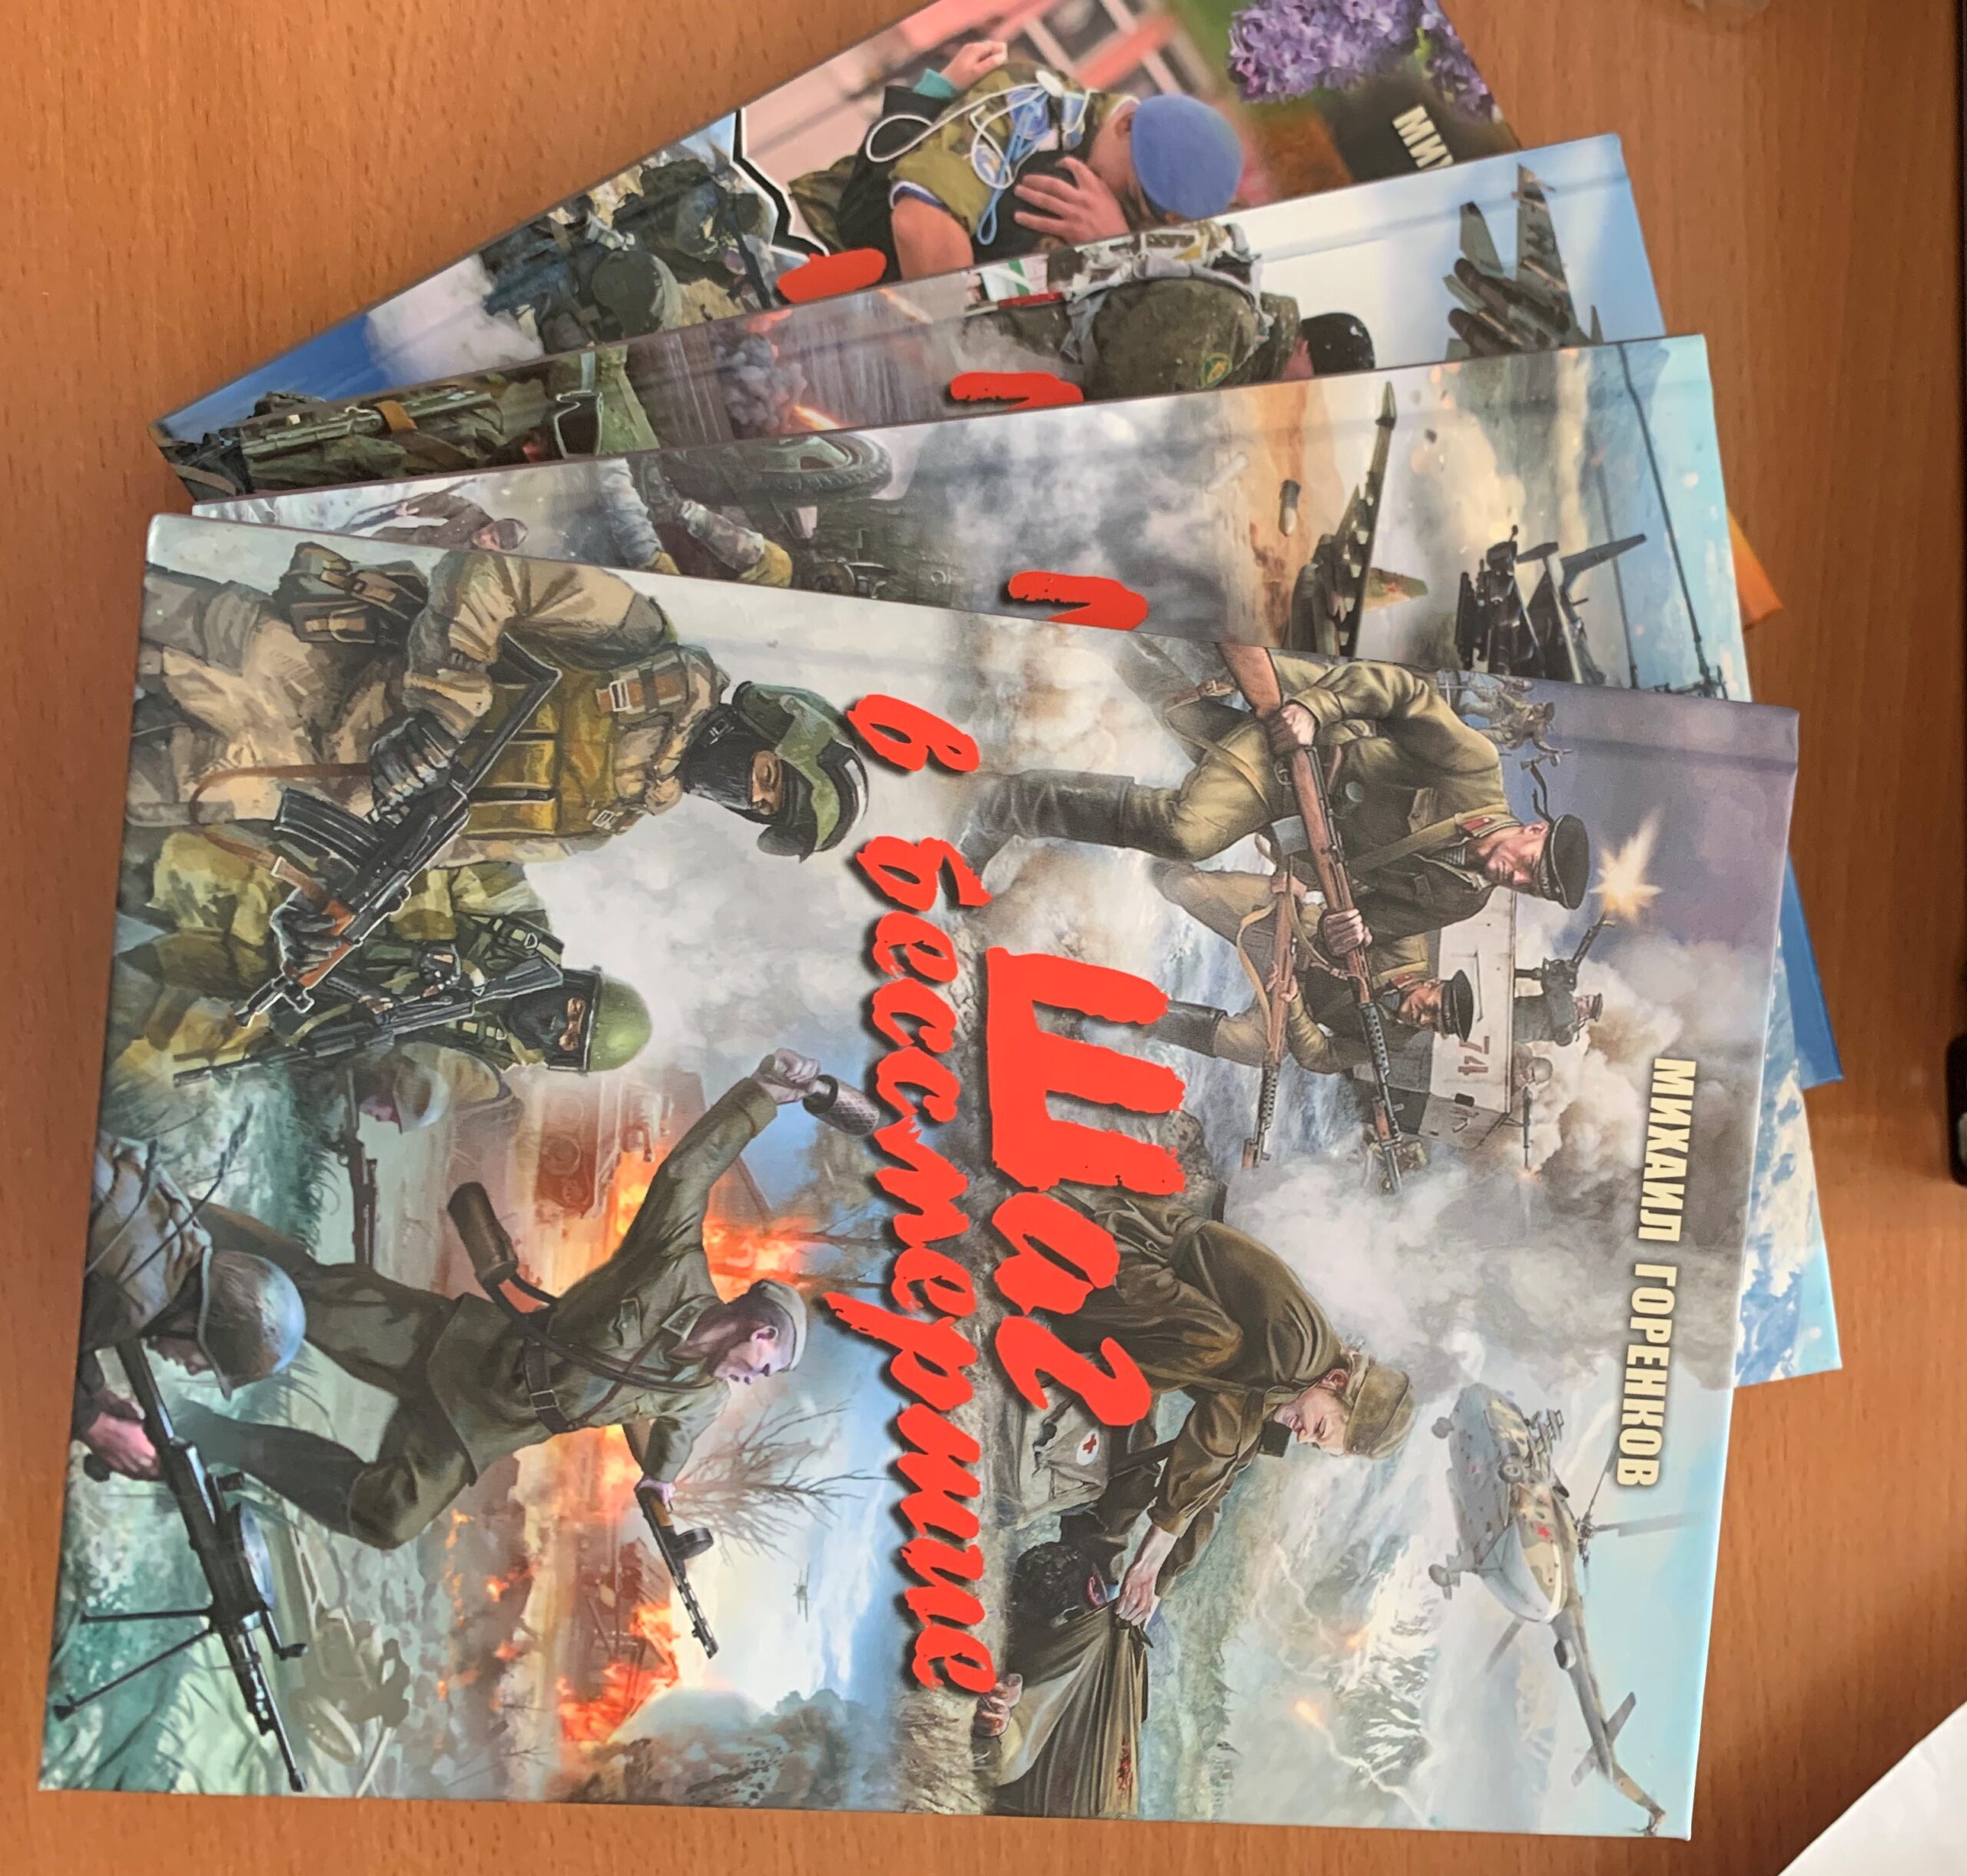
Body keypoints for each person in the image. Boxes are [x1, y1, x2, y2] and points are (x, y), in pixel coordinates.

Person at [177, 1054, 821, 1550]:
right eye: (764, 1366)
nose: (752, 1379)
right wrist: (760, 1095)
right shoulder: (671, 1264)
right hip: (453, 1343)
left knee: (386, 1518)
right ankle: (180, 1219)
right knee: (304, 1293)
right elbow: (688, 1171)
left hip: (479, 1428)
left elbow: (670, 1447)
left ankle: (208, 1436)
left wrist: (660, 1481)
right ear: (759, 1331)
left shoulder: (701, 1394)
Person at [128, 543, 867, 872]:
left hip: (284, 780)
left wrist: (339, 893)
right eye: (768, 777)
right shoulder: (636, 638)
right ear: (757, 726)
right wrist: (445, 708)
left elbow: (447, 849)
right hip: (303, 664)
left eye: (760, 807)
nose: (748, 796)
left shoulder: (598, 824)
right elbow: (492, 568)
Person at [962, 655, 1591, 953]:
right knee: (1187, 833)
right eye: (1529, 865)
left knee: (1171, 705)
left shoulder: (1463, 899)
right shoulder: (1475, 767)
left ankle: (1090, 668)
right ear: (1533, 830)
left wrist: (1353, 931)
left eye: (1528, 887)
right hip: (1292, 758)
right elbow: (1404, 692)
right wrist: (1314, 708)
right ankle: (1007, 803)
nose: (1516, 877)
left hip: (1289, 827)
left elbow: (1368, 926)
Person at [1046, 1190, 1416, 1629]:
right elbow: (1214, 1442)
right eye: (1319, 1427)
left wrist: (1159, 1584)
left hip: (1137, 1319)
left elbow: (1214, 1491)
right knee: (1218, 1344)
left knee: (1140, 1461)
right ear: (1335, 1381)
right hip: (1122, 1254)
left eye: (1315, 1444)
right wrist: (1151, 1555)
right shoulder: (1300, 1353)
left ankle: (1091, 1563)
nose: (1302, 1437)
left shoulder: (1289, 1397)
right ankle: (1079, 1367)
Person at [794, 40, 1245, 281]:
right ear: (1126, 124)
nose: (1115, 212)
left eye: (1141, 220)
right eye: (1130, 197)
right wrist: (960, 359)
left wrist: (1114, 250)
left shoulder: (1150, 239)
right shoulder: (1033, 104)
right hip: (815, 248)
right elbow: (922, 223)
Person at [74, 1134, 306, 1479]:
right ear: (196, 1326)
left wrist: (95, 1395)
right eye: (206, 1362)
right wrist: (97, 1428)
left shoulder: (184, 1238)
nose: (193, 1370)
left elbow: (71, 1314)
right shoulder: (134, 1300)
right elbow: (26, 1341)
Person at [1144, 860, 1474, 1074]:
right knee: (1186, 887)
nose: (1423, 1020)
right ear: (1433, 983)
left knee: (1258, 1048)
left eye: (1433, 1026)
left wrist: (1294, 1005)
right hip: (1287, 921)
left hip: (1286, 994)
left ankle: (1139, 1016)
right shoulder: (1408, 942)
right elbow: (1361, 882)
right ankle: (1144, 864)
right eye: (1432, 1009)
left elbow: (1323, 1057)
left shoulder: (1391, 1038)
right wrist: (1305, 881)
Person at [971, 1539, 1147, 1818]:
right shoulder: (1115, 1638)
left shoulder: (1019, 1655)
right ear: (1093, 1589)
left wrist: (999, 1727)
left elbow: (1010, 1753)